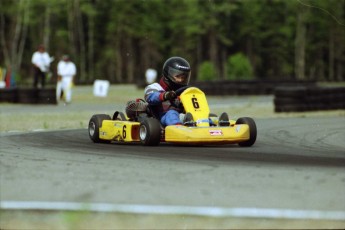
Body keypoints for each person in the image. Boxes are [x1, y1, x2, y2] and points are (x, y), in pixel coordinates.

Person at [144, 56, 191, 126]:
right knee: (172, 113)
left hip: (182, 115)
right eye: (178, 76)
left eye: (183, 78)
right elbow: (151, 97)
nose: (180, 80)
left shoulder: (184, 91)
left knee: (202, 115)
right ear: (168, 74)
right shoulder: (155, 87)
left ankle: (208, 125)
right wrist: (165, 95)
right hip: (163, 116)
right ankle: (178, 128)